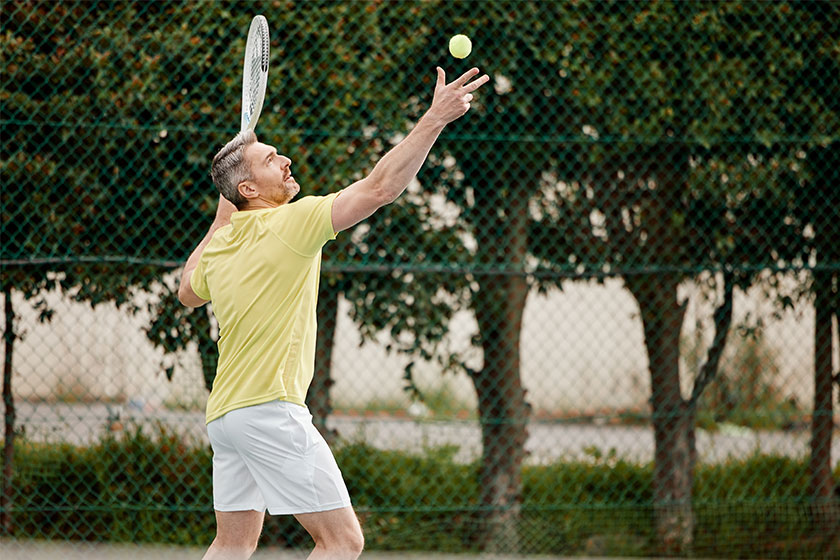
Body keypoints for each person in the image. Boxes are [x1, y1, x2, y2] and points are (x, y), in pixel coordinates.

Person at [178, 67, 490, 560]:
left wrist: (224, 209)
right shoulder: (291, 222)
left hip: (227, 417)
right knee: (343, 542)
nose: (284, 161)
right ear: (250, 192)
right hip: (268, 410)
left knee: (232, 542)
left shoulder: (221, 247)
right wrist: (434, 118)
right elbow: (380, 188)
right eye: (269, 159)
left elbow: (186, 293)